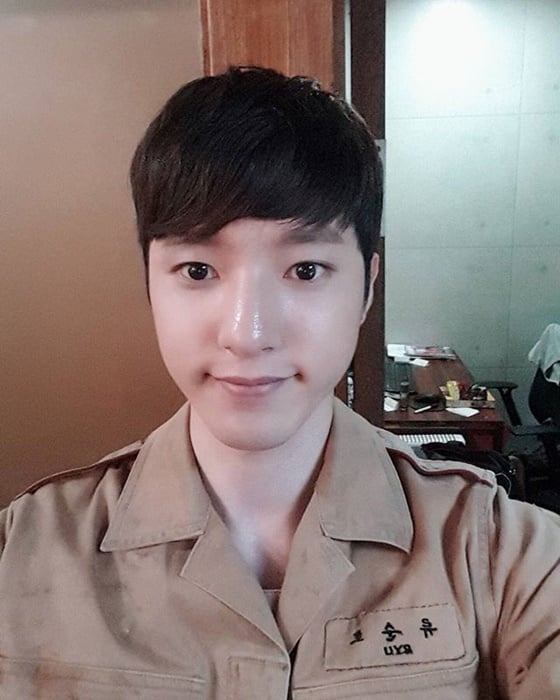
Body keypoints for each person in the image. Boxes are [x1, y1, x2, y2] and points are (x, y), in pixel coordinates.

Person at [0, 67, 558, 700]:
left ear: (368, 287)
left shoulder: (497, 553)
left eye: (307, 269)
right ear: (149, 283)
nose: (248, 334)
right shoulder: (23, 549)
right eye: (198, 269)